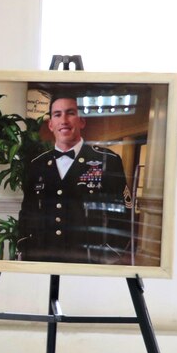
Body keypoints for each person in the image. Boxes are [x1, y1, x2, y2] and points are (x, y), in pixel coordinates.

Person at [18, 92, 131, 264]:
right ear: (50, 124)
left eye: (70, 113)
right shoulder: (37, 164)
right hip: (43, 258)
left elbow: (123, 214)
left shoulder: (107, 161)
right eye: (57, 114)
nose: (64, 120)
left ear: (82, 121)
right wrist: (26, 248)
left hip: (89, 260)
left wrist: (110, 255)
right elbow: (27, 212)